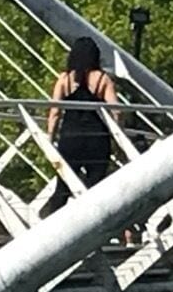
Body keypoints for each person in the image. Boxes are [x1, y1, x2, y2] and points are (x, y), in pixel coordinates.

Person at [41, 35, 118, 215]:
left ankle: (53, 221)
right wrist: (117, 134)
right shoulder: (103, 79)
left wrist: (50, 138)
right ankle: (93, 222)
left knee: (63, 186)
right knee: (96, 187)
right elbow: (117, 110)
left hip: (70, 137)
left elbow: (55, 112)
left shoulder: (65, 79)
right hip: (97, 139)